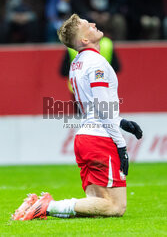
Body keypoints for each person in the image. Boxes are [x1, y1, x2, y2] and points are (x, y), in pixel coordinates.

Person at [12, 14, 143, 221]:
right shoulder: (97, 63)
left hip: (85, 137)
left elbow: (95, 106)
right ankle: (46, 206)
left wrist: (121, 122)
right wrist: (121, 145)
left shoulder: (78, 63)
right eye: (86, 25)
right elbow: (101, 107)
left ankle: (40, 207)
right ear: (83, 40)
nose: (93, 23)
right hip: (100, 138)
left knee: (96, 202)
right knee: (115, 207)